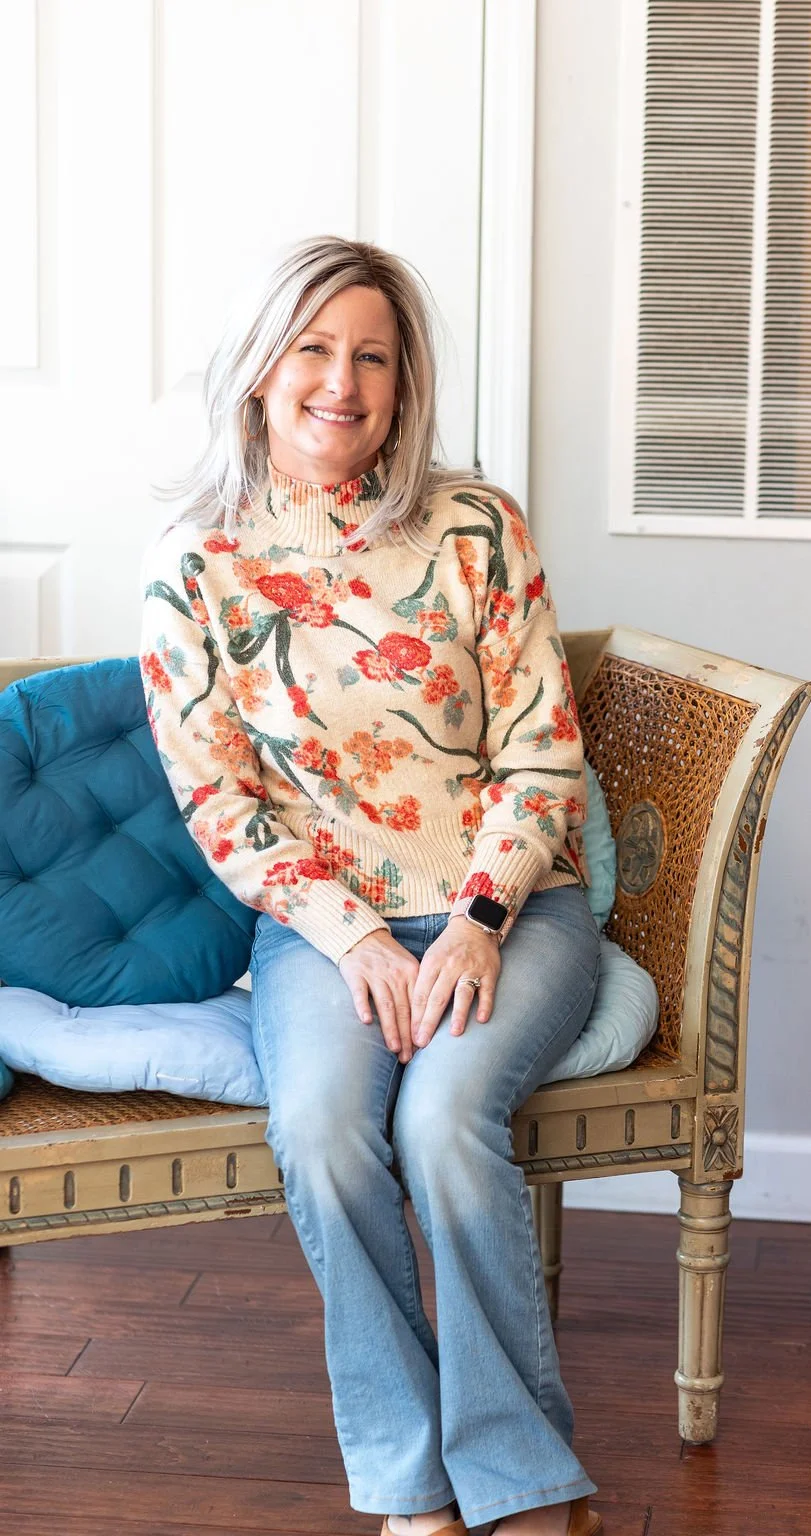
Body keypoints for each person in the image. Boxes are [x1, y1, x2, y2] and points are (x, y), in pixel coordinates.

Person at [139, 236, 603, 1536]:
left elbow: (542, 749)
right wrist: (354, 937)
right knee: (327, 1130)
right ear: (261, 367)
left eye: (373, 358)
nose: (341, 383)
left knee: (445, 1123)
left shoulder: (475, 526)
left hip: (515, 911)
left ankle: (525, 1483)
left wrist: (479, 921)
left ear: (405, 386)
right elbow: (223, 802)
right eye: (314, 350)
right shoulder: (195, 565)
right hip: (322, 930)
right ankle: (413, 1487)